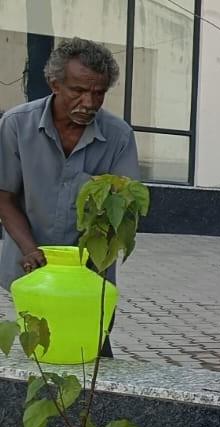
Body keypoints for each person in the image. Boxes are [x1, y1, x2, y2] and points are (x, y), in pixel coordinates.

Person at [0, 37, 138, 357]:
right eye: (78, 90)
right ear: (55, 85)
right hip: (30, 266)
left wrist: (88, 263)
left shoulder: (119, 137)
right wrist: (30, 250)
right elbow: (4, 197)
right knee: (38, 354)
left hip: (89, 273)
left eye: (98, 93)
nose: (89, 102)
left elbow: (125, 207)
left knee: (91, 353)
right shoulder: (16, 125)